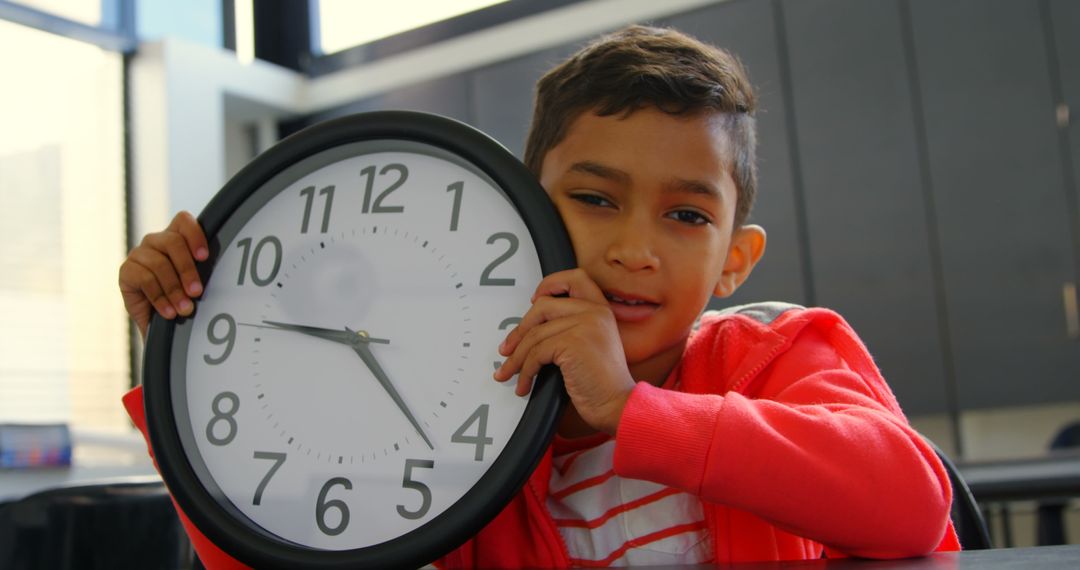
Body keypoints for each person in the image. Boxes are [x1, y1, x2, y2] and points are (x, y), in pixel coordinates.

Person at [118, 25, 959, 568]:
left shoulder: (780, 354)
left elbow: (914, 505)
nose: (633, 248)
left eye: (686, 215)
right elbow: (287, 553)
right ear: (514, 211)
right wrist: (184, 353)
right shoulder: (457, 413)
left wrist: (633, 412)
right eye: (594, 199)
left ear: (734, 262)